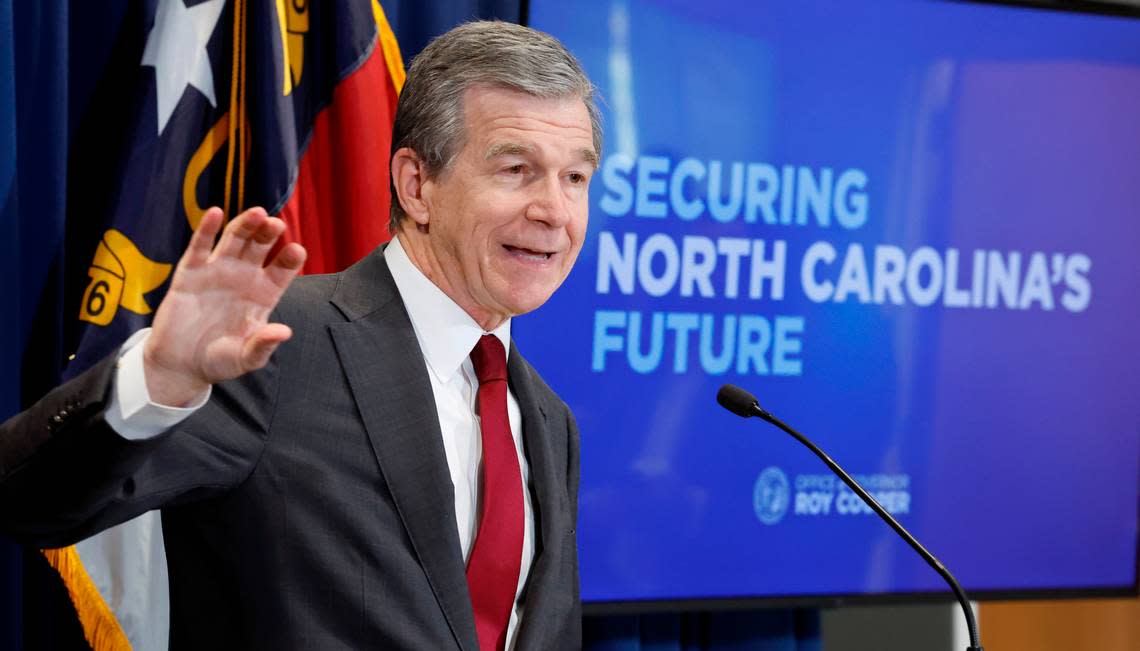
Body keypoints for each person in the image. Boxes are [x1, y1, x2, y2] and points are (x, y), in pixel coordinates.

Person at [0, 21, 599, 650]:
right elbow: (29, 504)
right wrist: (158, 380)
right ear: (416, 186)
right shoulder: (273, 346)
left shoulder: (549, 422)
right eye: (515, 169)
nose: (554, 212)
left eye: (576, 179)